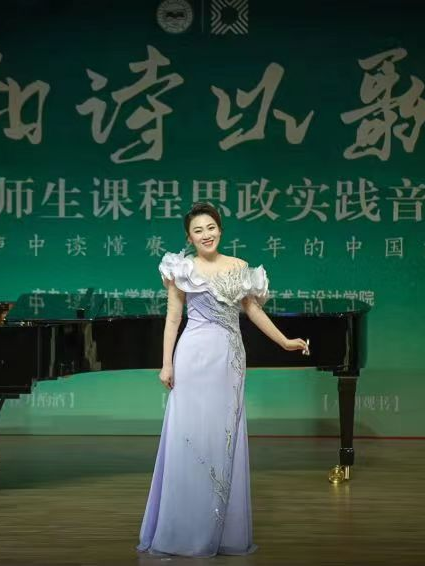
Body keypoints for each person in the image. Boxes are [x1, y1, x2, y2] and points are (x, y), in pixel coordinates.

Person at [137, 202, 308, 557]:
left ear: (221, 229)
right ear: (189, 237)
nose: (206, 235)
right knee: (189, 437)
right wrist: (166, 364)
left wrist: (284, 341)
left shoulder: (240, 267)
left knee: (223, 439)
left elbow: (253, 310)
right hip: (193, 356)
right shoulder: (181, 268)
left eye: (211, 227)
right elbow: (173, 319)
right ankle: (183, 531)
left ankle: (222, 531)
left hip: (229, 359)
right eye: (198, 230)